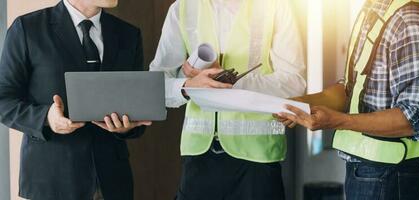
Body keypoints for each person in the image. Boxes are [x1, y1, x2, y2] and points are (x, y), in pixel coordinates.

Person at [276, 0, 419, 199]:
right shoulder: (372, 11)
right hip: (364, 170)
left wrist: (338, 121)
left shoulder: (412, 21)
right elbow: (351, 89)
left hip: (390, 176)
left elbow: (416, 118)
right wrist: (299, 104)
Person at [149, 0, 306, 199]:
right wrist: (188, 86)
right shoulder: (183, 7)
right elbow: (156, 86)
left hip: (257, 159)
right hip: (198, 157)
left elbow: (294, 82)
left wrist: (229, 82)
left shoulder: (275, 7)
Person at [0, 0, 152, 199]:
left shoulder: (128, 34)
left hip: (113, 182)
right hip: (52, 180)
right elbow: (4, 99)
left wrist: (127, 127)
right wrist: (47, 118)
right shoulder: (28, 29)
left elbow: (136, 106)